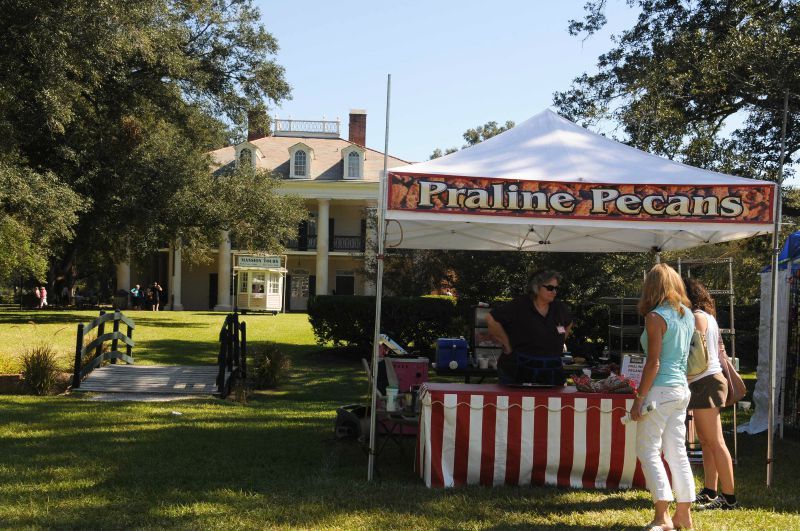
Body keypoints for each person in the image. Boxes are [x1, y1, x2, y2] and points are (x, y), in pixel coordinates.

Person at [631, 264, 695, 531]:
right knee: (676, 451)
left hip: (660, 390)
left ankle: (662, 515)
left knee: (647, 449)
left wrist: (639, 398)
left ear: (652, 287)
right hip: (681, 389)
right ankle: (684, 515)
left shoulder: (656, 317)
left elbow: (653, 363)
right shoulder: (688, 314)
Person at [684, 278, 738, 510]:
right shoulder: (708, 317)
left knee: (715, 442)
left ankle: (729, 498)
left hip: (705, 382)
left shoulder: (697, 317)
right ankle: (710, 490)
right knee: (706, 441)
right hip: (706, 381)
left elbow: (697, 353)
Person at [486, 269, 572, 385]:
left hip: (551, 371)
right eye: (550, 288)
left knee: (552, 403)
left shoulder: (559, 308)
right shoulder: (519, 305)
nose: (554, 292)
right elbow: (491, 319)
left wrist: (559, 341)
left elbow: (569, 323)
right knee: (516, 403)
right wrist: (507, 345)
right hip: (518, 370)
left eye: (556, 288)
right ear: (536, 287)